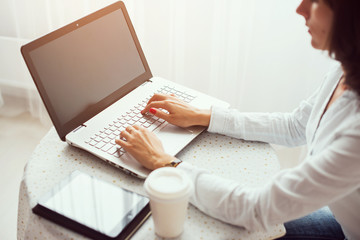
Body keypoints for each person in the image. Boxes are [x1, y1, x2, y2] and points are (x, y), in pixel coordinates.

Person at [116, 0, 360, 239]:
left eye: (316, 1)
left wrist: (163, 162)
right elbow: (295, 125)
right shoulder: (345, 69)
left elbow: (255, 209)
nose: (300, 9)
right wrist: (205, 116)